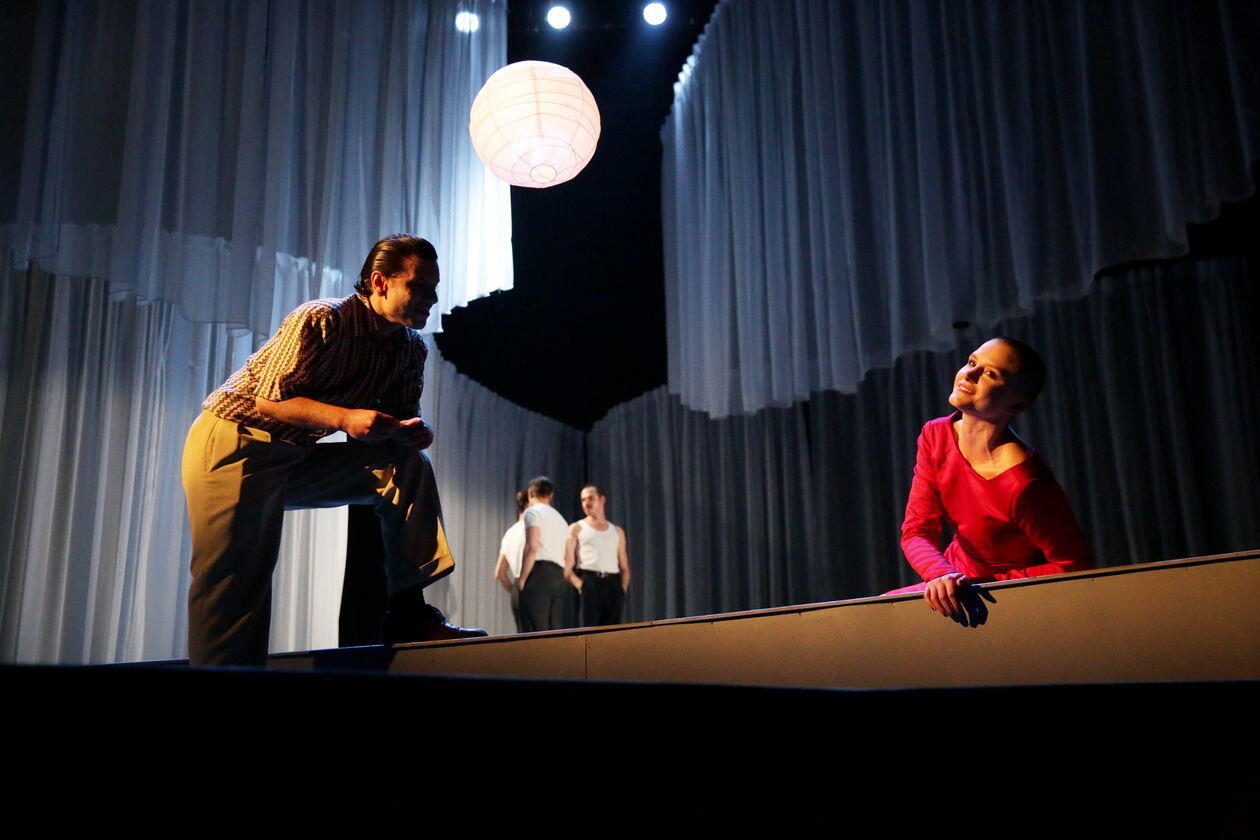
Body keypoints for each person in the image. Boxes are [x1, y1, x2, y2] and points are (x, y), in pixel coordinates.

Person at [181, 234, 486, 666]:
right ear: (379, 282)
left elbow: (399, 421)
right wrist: (345, 419)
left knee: (404, 464)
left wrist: (414, 432)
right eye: (418, 287)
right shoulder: (322, 319)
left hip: (294, 456)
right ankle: (220, 687)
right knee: (236, 578)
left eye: (433, 290)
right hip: (236, 443)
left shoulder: (409, 348)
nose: (430, 300)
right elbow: (270, 401)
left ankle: (408, 613)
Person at [894, 337, 1093, 619]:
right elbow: (916, 531)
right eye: (971, 362)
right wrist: (941, 574)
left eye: (990, 373)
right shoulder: (935, 435)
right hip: (954, 579)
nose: (970, 373)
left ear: (1017, 406)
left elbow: (1074, 566)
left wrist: (981, 585)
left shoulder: (1026, 483)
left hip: (1006, 595)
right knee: (880, 613)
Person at [564, 484, 630, 626]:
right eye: (583, 500)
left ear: (602, 500)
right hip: (590, 581)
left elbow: (624, 567)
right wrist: (582, 586)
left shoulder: (617, 531)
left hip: (612, 584)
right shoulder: (576, 528)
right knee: (590, 632)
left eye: (590, 498)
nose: (586, 503)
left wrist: (621, 591)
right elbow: (567, 567)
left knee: (613, 632)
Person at [517, 476, 570, 632]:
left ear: (530, 494)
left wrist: (522, 578)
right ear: (551, 495)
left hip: (539, 574)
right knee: (555, 628)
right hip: (558, 576)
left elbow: (532, 547)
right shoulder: (562, 520)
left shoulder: (532, 512)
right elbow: (569, 558)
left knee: (535, 629)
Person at [493, 490, 529, 633]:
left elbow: (499, 573)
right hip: (534, 586)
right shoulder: (532, 530)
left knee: (522, 635)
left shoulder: (510, 533)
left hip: (517, 590)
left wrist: (514, 590)